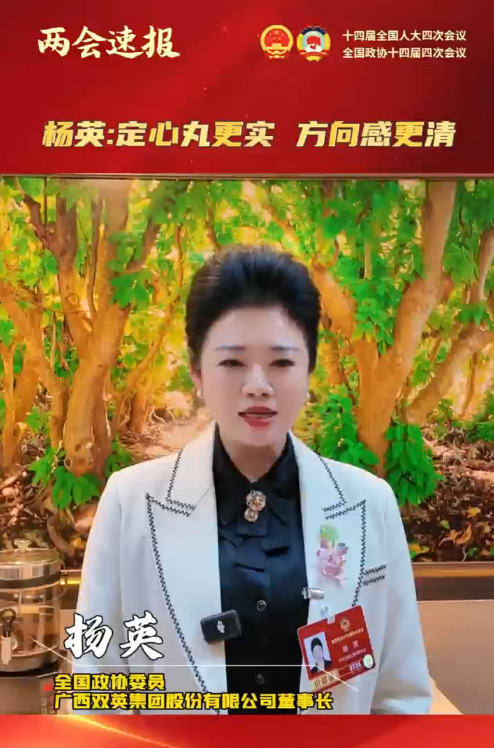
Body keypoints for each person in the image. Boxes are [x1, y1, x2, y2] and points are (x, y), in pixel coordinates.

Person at [73, 246, 432, 715]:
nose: (258, 384)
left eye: (281, 363)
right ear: (197, 373)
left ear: (309, 370)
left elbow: (399, 696)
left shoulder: (368, 504)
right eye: (233, 363)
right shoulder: (130, 502)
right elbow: (97, 693)